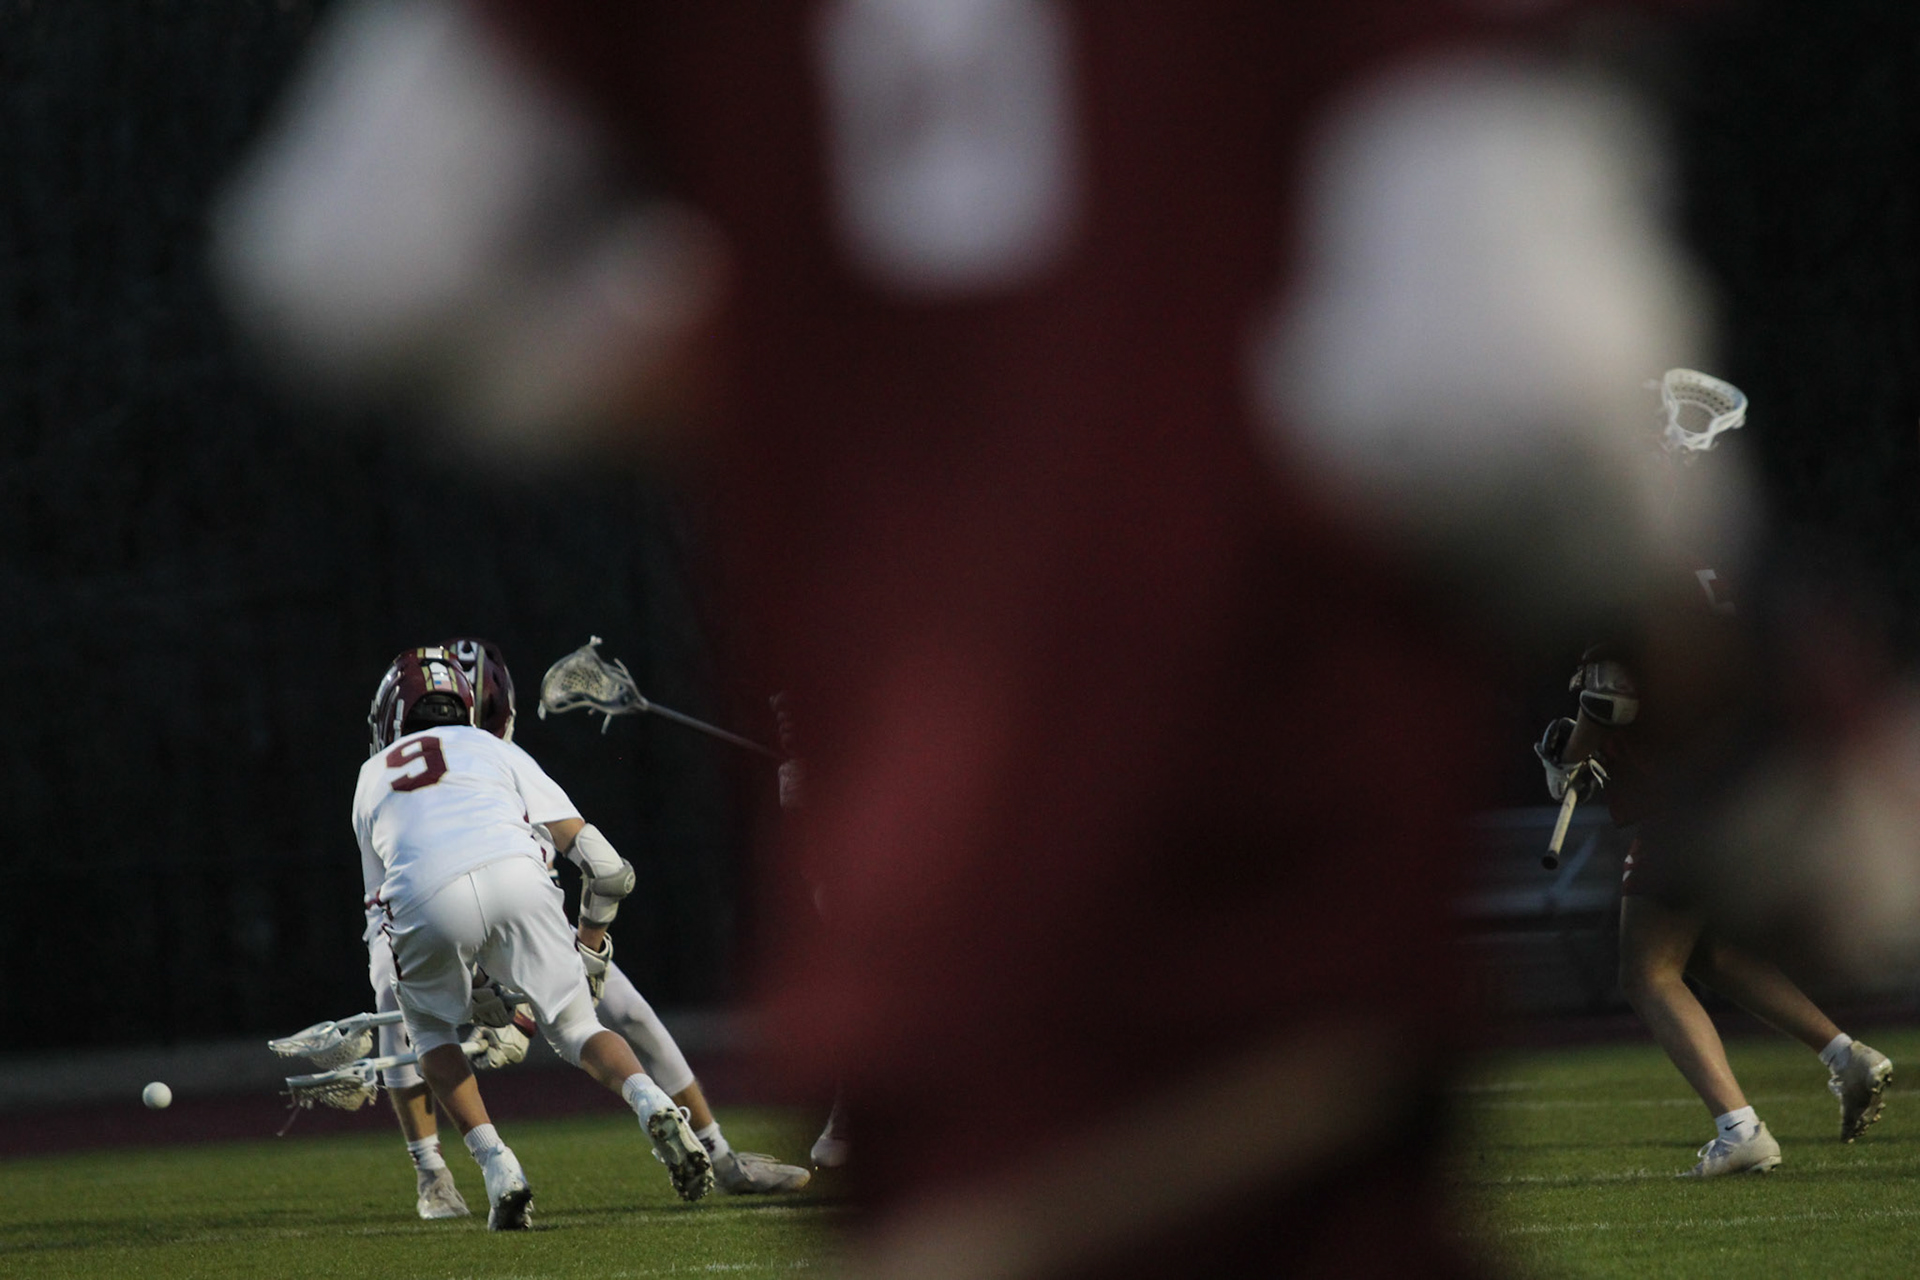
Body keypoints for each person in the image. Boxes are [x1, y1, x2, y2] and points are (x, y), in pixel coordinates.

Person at [224, 3, 1753, 1273]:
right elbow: (1510, 393)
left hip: (933, 989)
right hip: (1270, 953)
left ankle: (535, 1159)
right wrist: (1746, 674)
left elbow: (350, 261)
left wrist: (780, 365)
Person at [1536, 371, 1894, 1178]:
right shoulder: (1712, 551)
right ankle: (1845, 1055)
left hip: (1690, 787)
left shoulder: (1634, 554)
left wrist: (1574, 753)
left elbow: (1612, 695)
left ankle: (1740, 1129)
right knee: (1711, 953)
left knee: (1646, 970)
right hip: (1737, 771)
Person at [355, 645, 714, 1230]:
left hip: (426, 899)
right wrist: (589, 948)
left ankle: (497, 1166)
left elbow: (385, 911)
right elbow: (607, 869)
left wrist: (469, 986)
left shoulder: (371, 777)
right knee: (577, 1027)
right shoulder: (496, 749)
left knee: (430, 1033)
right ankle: (649, 1099)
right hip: (519, 878)